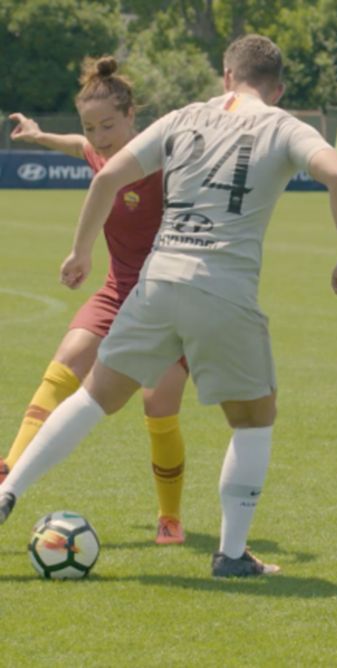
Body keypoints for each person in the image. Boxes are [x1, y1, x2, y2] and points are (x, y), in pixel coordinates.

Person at [0, 34, 337, 578]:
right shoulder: (284, 124)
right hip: (223, 288)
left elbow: (104, 176)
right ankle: (232, 555)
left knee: (94, 396)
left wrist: (79, 251)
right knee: (253, 420)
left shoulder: (183, 117)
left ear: (225, 76)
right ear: (279, 89)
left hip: (157, 279)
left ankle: (8, 491)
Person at [2, 57, 189, 545]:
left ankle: (170, 518)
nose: (99, 136)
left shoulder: (165, 165)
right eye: (91, 126)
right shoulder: (99, 152)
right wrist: (41, 135)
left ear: (132, 116)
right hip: (118, 289)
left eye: (108, 125)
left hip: (169, 299)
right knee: (64, 363)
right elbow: (78, 147)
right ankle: (8, 474)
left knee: (159, 403)